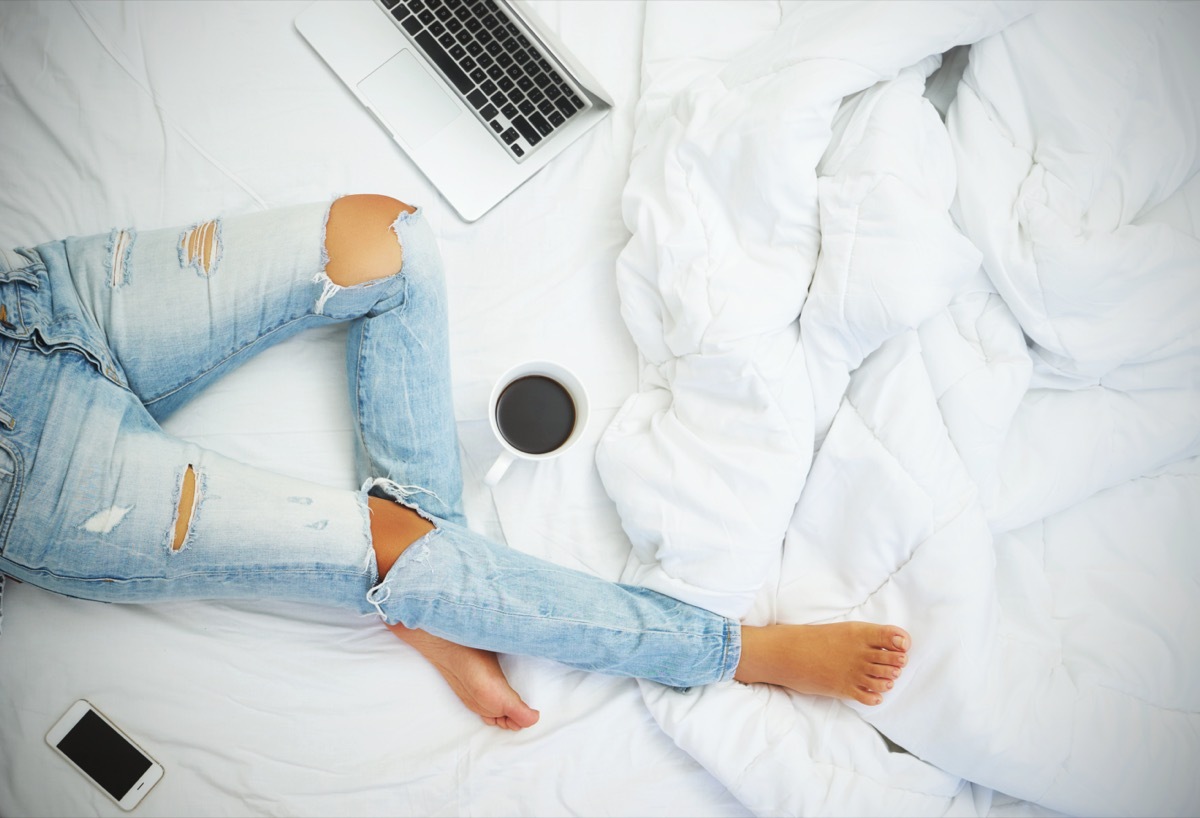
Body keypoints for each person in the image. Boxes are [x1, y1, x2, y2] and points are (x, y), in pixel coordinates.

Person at [0, 194, 909, 731]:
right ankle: (733, 652)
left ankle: (433, 601)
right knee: (402, 547)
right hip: (41, 479)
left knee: (386, 234)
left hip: (38, 306)